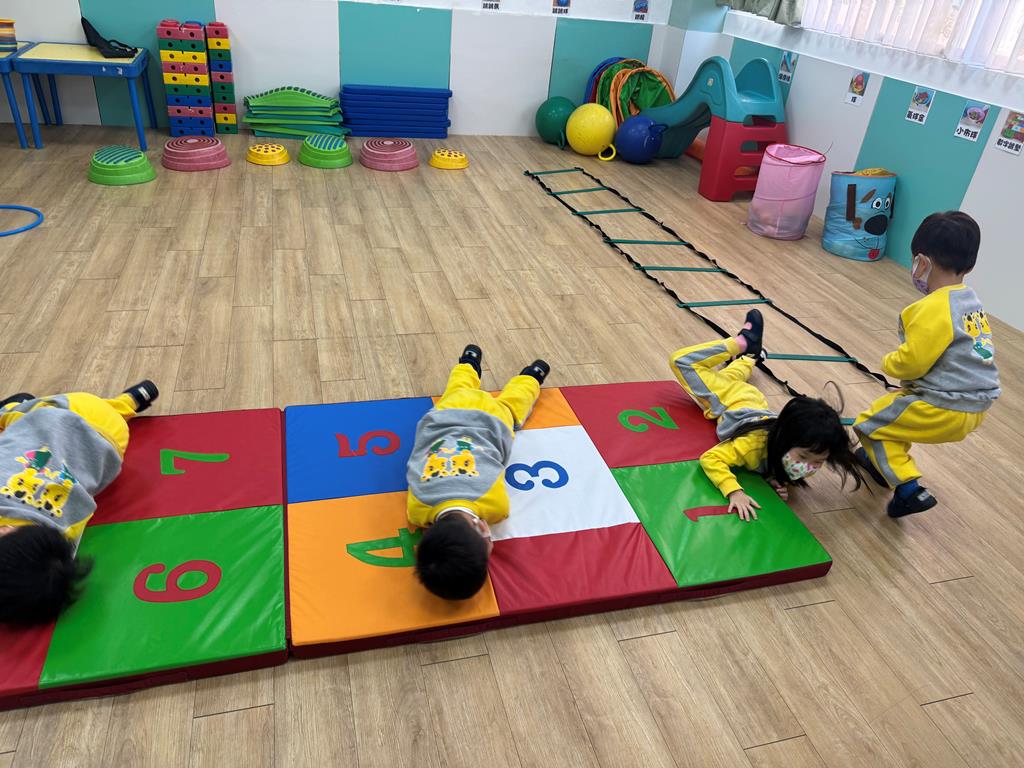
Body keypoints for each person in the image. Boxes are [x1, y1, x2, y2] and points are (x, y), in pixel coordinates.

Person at [854, 211, 999, 517]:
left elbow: (913, 362)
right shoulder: (970, 302)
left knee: (869, 424)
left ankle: (909, 491)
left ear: (922, 262)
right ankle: (881, 463)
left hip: (944, 405)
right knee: (896, 414)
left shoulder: (932, 307)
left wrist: (890, 363)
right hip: (976, 405)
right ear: (970, 264)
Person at [670, 310, 861, 521]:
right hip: (731, 400)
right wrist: (734, 491)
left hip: (753, 403)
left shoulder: (789, 446)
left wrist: (776, 480)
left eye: (818, 463)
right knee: (682, 362)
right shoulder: (753, 444)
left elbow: (774, 462)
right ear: (782, 440)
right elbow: (711, 458)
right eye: (804, 458)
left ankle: (750, 357)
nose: (807, 467)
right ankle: (743, 344)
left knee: (730, 377)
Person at [0, 381, 159, 625]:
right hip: (66, 413)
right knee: (17, 424)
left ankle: (130, 401)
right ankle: (17, 404)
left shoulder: (66, 535)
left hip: (112, 438)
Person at [407, 345, 548, 600]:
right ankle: (468, 363)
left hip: (493, 418)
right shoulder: (416, 510)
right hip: (446, 413)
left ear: (483, 527)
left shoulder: (496, 508)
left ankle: (532, 376)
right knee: (459, 386)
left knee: (513, 406)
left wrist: (483, 541)